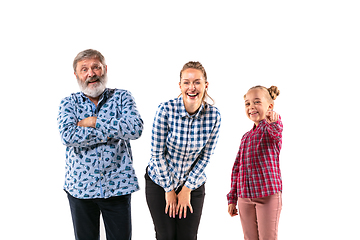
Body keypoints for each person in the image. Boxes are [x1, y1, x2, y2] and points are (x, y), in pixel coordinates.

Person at [57, 49, 143, 240]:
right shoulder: (69, 103)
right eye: (84, 69)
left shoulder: (123, 97)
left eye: (96, 67)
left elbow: (135, 129)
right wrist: (114, 130)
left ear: (104, 69)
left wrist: (93, 122)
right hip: (80, 189)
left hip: (118, 186)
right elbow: (67, 135)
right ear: (76, 75)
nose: (91, 74)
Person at [145, 61, 221, 240]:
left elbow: (206, 156)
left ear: (205, 85)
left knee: (187, 236)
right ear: (180, 86)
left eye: (197, 82)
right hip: (160, 182)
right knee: (166, 236)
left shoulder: (214, 116)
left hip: (193, 183)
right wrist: (169, 189)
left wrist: (186, 189)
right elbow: (156, 154)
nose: (191, 87)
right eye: (186, 82)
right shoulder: (165, 110)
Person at [227, 85, 283, 240]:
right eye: (247, 104)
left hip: (268, 196)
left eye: (257, 102)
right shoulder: (245, 137)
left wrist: (273, 120)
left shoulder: (271, 128)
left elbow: (276, 132)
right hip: (244, 197)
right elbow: (237, 168)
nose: (251, 107)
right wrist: (232, 198)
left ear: (270, 106)